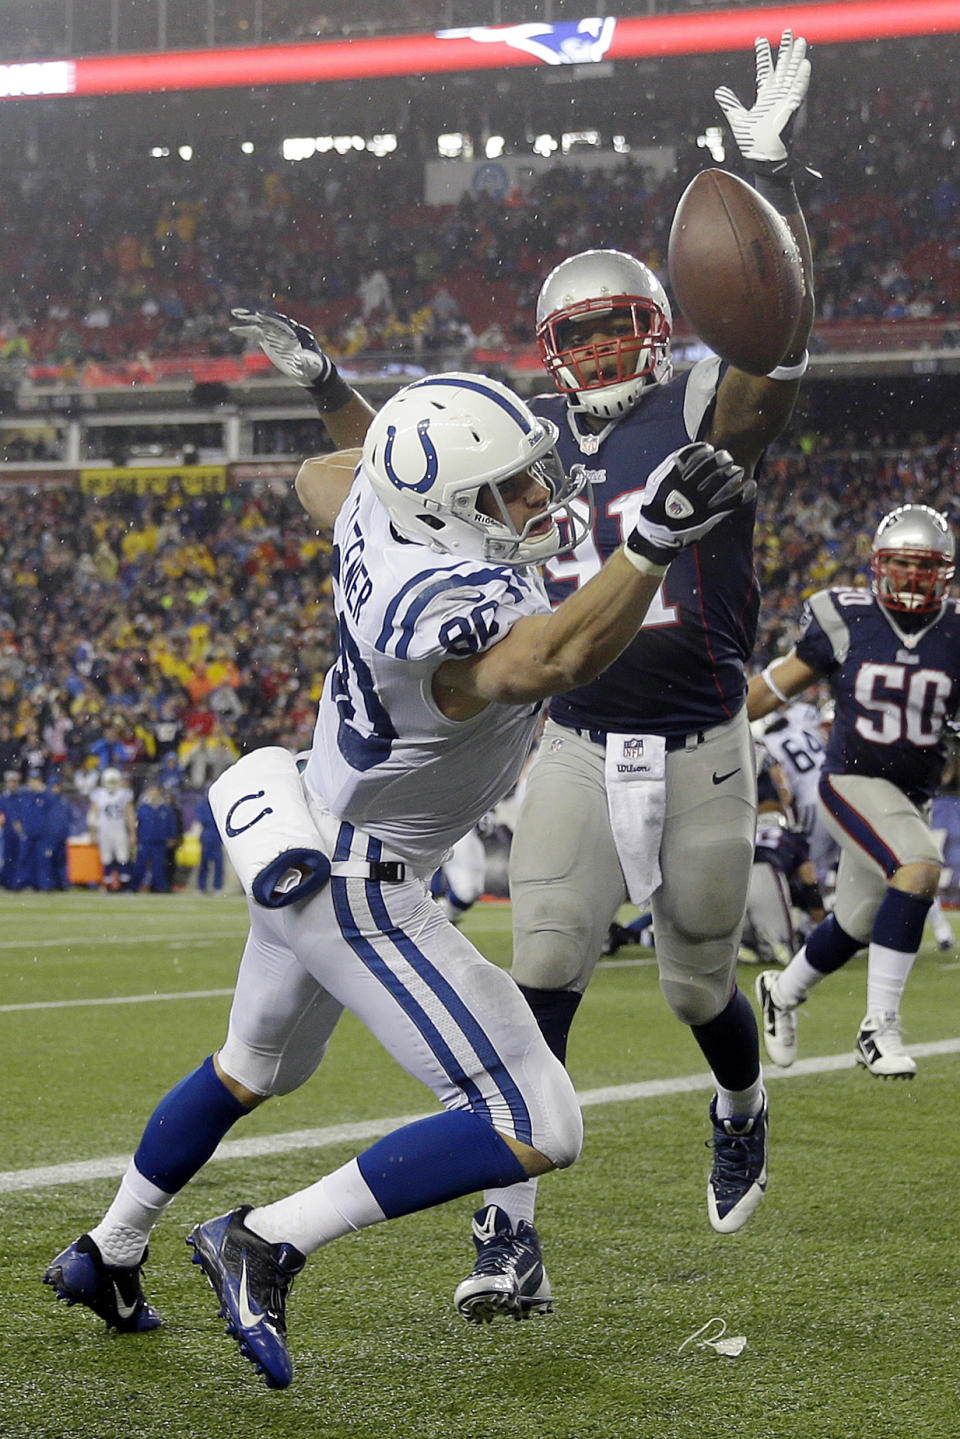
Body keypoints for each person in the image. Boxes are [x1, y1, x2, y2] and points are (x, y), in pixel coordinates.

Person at [44, 370, 753, 1390]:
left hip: (304, 830)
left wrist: (342, 397)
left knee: (251, 1067)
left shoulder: (383, 514)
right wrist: (649, 546)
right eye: (507, 489)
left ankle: (108, 1249)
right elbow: (546, 662)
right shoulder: (447, 603)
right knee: (538, 1118)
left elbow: (325, 474)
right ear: (449, 508)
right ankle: (265, 1239)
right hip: (356, 876)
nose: (535, 501)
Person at [449, 26, 816, 1316]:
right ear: (553, 348)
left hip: (706, 740)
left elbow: (772, 348)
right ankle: (509, 1232)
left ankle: (740, 1095)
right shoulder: (524, 444)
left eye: (619, 331)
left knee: (695, 983)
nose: (602, 353)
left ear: (659, 328)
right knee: (538, 971)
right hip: (575, 741)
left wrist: (774, 180)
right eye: (580, 337)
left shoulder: (709, 401)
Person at [747, 503, 960, 1079]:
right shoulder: (847, 618)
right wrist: (707, 725)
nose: (912, 579)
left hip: (909, 797)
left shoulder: (955, 632)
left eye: (924, 568)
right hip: (851, 780)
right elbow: (773, 687)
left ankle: (781, 991)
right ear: (878, 567)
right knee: (919, 868)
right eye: (902, 566)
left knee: (858, 922)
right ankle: (878, 1028)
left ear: (944, 572)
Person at [87, 766, 136, 892]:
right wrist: (92, 832)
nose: (112, 785)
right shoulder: (98, 794)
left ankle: (125, 886)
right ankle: (108, 886)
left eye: (114, 782)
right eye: (110, 782)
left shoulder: (124, 793)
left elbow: (130, 815)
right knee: (106, 858)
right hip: (104, 831)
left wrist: (132, 833)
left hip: (120, 830)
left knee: (123, 858)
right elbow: (93, 815)